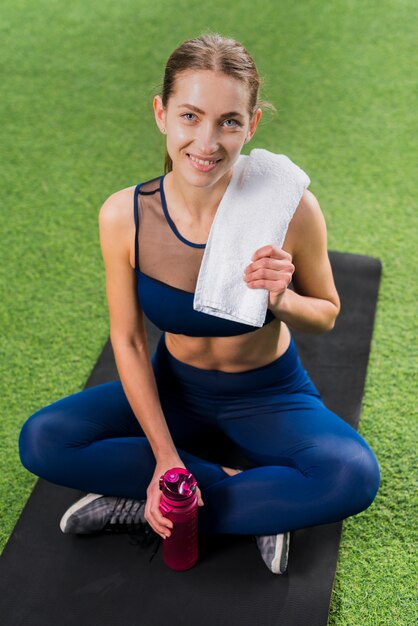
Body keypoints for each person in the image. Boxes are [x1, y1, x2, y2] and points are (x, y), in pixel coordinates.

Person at [18, 33, 380, 575]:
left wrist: (281, 297)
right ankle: (251, 502)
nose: (206, 142)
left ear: (251, 125)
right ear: (162, 114)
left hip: (268, 394)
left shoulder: (290, 208)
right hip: (175, 390)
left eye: (229, 122)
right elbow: (130, 340)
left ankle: (154, 509)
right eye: (190, 116)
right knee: (43, 439)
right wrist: (165, 459)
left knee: (353, 475)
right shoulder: (124, 215)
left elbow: (326, 313)